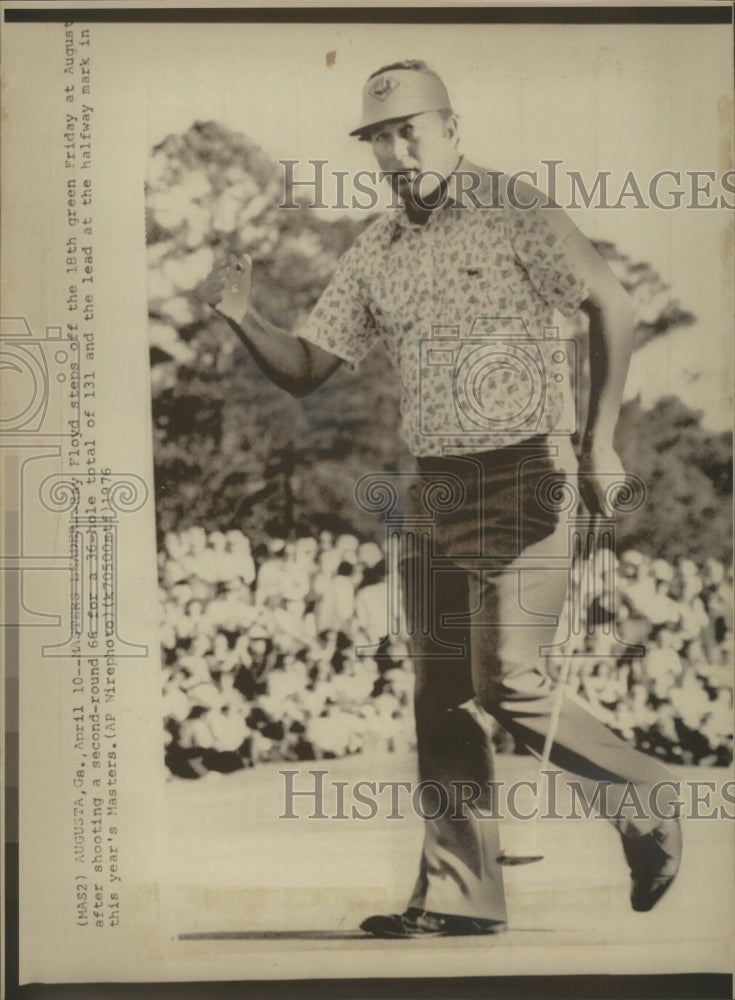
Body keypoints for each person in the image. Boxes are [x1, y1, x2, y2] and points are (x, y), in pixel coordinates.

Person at [201, 60, 681, 938]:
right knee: (441, 695)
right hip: (435, 486)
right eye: (378, 137)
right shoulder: (377, 247)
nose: (392, 150)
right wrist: (242, 313)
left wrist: (599, 441)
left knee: (507, 677)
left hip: (528, 469)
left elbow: (613, 303)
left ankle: (644, 791)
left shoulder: (513, 206)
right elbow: (307, 369)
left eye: (407, 131)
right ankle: (462, 897)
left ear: (451, 129)